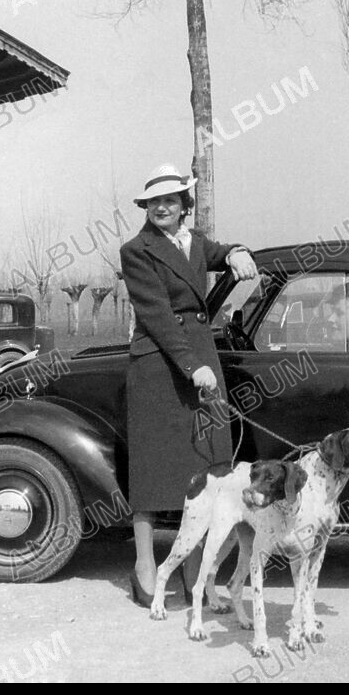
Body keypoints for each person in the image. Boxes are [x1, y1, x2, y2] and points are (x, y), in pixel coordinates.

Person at [120, 164, 257, 606]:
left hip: (200, 363)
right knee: (152, 470)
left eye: (171, 200)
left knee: (206, 469)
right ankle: (144, 564)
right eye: (154, 202)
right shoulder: (136, 250)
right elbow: (157, 316)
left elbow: (219, 251)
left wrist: (237, 252)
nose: (162, 207)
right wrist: (193, 366)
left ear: (184, 206)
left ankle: (196, 574)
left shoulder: (196, 243)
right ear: (146, 208)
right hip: (160, 368)